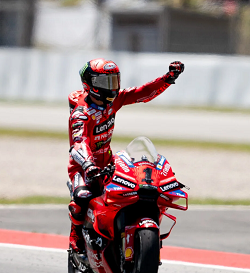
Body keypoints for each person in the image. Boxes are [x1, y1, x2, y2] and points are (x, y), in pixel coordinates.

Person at [67, 58, 185, 252]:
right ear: (90, 83)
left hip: (108, 161)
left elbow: (143, 93)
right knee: (82, 195)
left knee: (133, 186)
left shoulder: (115, 101)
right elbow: (79, 143)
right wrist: (88, 165)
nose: (112, 87)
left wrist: (168, 78)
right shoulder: (81, 113)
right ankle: (76, 236)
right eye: (106, 82)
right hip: (82, 167)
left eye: (114, 81)